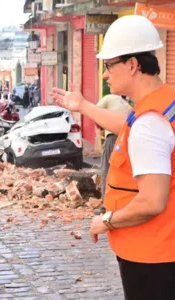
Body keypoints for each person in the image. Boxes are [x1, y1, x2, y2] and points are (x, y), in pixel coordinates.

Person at [50, 15, 175, 299]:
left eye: (108, 66)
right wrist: (82, 105)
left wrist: (106, 221)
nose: (105, 74)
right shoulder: (161, 103)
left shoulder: (149, 122)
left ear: (132, 65)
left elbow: (152, 201)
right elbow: (126, 126)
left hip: (151, 257)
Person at [94, 94, 132, 215]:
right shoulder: (128, 106)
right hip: (126, 139)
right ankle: (121, 204)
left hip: (112, 138)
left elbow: (95, 112)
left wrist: (100, 125)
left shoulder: (108, 98)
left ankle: (105, 205)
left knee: (106, 170)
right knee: (121, 172)